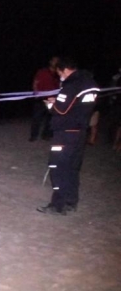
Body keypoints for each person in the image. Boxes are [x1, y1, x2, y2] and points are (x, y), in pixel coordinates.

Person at [37, 57, 99, 215]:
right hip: (80, 132)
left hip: (65, 134)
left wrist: (51, 104)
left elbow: (61, 110)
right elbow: (75, 105)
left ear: (64, 70)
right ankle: (71, 202)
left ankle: (57, 205)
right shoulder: (90, 83)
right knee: (72, 169)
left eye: (59, 73)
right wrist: (59, 101)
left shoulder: (72, 85)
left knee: (58, 168)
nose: (60, 77)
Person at [29, 56, 60, 141]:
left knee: (50, 118)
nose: (56, 62)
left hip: (52, 99)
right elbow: (35, 82)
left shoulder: (58, 74)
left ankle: (46, 135)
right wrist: (35, 92)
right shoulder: (42, 71)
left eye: (57, 61)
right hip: (41, 98)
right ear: (50, 62)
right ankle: (33, 135)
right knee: (36, 117)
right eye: (54, 60)